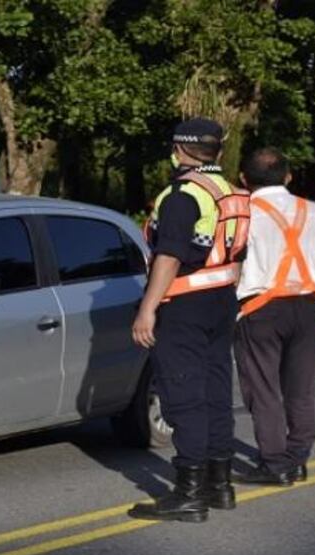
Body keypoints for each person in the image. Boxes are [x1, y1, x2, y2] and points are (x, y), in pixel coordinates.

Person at [128, 118, 250, 523]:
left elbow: (169, 256)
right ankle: (219, 483)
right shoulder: (229, 191)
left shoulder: (183, 195)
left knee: (184, 394)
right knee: (215, 389)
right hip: (221, 301)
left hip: (185, 303)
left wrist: (148, 307)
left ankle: (189, 493)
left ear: (179, 149)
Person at [233, 147, 315, 486]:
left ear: (243, 179)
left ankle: (275, 463)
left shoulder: (243, 213)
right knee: (300, 387)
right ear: (289, 176)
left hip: (259, 308)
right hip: (306, 304)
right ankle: (298, 456)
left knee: (263, 389)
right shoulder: (314, 211)